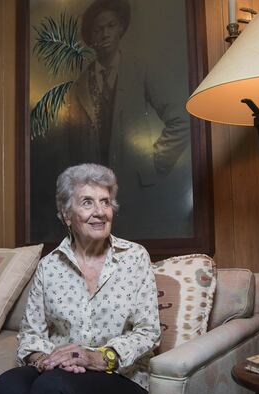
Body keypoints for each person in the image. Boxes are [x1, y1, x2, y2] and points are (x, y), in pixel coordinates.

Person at [0, 164, 161, 394]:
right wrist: (45, 361)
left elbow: (148, 332)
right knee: (7, 386)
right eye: (88, 202)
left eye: (105, 202)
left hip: (120, 374)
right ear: (67, 215)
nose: (100, 211)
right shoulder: (49, 266)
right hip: (58, 369)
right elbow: (30, 334)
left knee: (52, 387)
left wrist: (96, 358)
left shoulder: (134, 257)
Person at [59, 0, 193, 239]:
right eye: (98, 29)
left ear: (121, 28)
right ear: (91, 36)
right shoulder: (78, 87)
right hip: (94, 202)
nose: (105, 33)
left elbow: (181, 120)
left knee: (136, 255)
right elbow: (72, 151)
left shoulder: (140, 69)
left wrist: (155, 161)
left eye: (111, 25)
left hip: (137, 191)